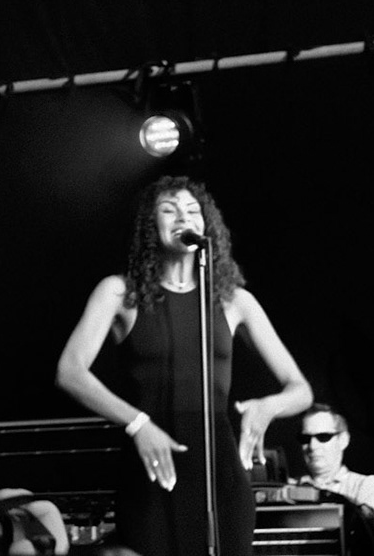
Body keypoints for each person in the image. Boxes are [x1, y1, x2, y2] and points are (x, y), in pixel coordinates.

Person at [55, 175, 312, 556]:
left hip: (220, 470)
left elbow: (300, 388)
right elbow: (70, 372)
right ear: (150, 225)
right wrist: (138, 423)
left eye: (192, 210)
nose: (182, 217)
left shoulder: (233, 300)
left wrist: (267, 407)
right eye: (168, 209)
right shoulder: (118, 293)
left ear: (206, 227)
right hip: (152, 466)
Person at [288, 404, 374, 511]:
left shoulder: (367, 486)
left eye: (323, 437)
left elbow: (364, 525)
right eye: (305, 438)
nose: (313, 446)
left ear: (343, 440)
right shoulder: (286, 489)